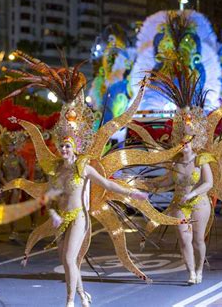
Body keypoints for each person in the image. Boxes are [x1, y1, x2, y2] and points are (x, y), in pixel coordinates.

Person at [46, 97, 148, 307]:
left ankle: (69, 301)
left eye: (67, 146)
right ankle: (83, 296)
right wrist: (53, 214)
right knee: (69, 262)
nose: (64, 149)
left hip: (79, 218)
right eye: (62, 146)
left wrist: (133, 193)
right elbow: (49, 198)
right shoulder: (56, 170)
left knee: (69, 259)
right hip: (63, 219)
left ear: (74, 147)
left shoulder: (83, 167)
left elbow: (108, 185)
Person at [148, 107, 214, 285]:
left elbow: (209, 183)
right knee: (184, 239)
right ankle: (191, 272)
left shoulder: (201, 159)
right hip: (179, 204)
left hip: (199, 203)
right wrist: (151, 184)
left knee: (198, 240)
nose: (184, 145)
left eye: (188, 142)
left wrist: (193, 193)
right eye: (182, 142)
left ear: (194, 142)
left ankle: (200, 269)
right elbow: (168, 181)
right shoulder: (175, 162)